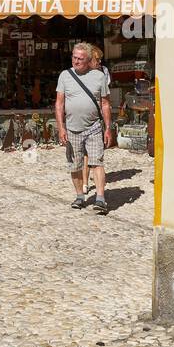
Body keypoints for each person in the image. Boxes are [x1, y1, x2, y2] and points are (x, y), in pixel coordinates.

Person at [55, 41, 112, 216]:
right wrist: (61, 127)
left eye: (80, 58)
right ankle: (80, 196)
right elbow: (59, 104)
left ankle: (100, 199)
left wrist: (108, 128)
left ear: (88, 60)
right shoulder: (65, 76)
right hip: (72, 129)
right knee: (75, 165)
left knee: (97, 162)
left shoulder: (99, 77)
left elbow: (105, 104)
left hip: (94, 127)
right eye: (74, 57)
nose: (76, 61)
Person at [82, 44, 113, 193]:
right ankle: (85, 182)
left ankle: (95, 177)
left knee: (95, 150)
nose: (100, 62)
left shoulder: (104, 72)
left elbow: (106, 96)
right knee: (85, 152)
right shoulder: (80, 74)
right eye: (97, 59)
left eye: (100, 59)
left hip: (99, 115)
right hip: (85, 115)